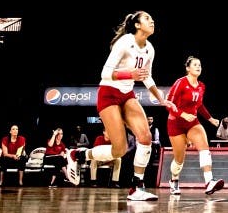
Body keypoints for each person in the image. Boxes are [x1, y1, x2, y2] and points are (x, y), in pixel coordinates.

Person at [63, 11, 175, 201]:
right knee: (119, 150)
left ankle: (137, 188)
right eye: (147, 18)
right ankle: (77, 155)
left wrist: (161, 98)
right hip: (108, 93)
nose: (152, 20)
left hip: (126, 95)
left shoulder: (150, 48)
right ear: (137, 25)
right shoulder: (124, 42)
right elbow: (105, 73)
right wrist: (129, 75)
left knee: (146, 137)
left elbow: (146, 76)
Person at [165, 55, 225, 195]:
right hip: (176, 123)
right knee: (179, 159)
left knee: (204, 147)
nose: (198, 67)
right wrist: (182, 114)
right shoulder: (180, 82)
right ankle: (174, 181)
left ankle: (209, 182)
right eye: (195, 65)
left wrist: (210, 119)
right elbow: (168, 103)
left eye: (200, 65)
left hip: (192, 123)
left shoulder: (201, 86)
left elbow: (199, 106)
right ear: (187, 68)